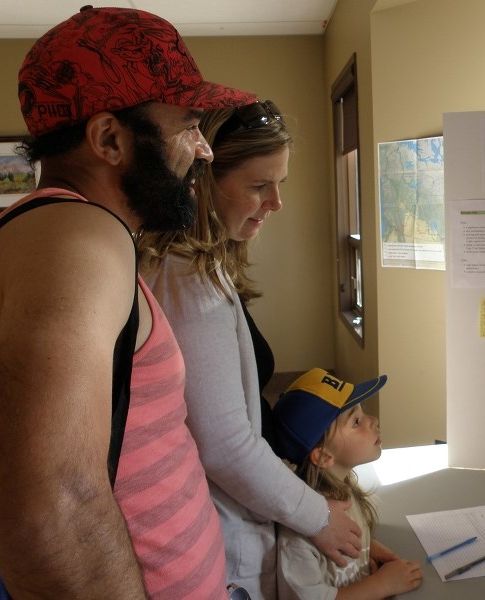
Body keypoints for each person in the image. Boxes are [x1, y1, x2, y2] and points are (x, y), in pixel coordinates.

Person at [0, 6, 259, 599]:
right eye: (188, 125)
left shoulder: (70, 236)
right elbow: (45, 503)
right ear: (110, 139)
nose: (204, 149)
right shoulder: (78, 239)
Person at [137, 102, 363, 598]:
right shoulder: (186, 279)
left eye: (279, 183)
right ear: (200, 184)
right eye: (260, 186)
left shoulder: (195, 268)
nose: (276, 202)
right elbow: (222, 442)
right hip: (220, 541)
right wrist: (315, 515)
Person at [273, 368, 424, 599]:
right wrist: (381, 586)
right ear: (323, 457)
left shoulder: (344, 492)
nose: (373, 421)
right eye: (356, 421)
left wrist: (367, 548)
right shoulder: (298, 536)